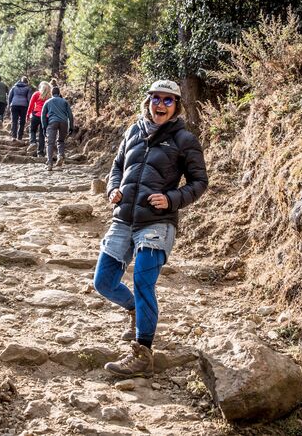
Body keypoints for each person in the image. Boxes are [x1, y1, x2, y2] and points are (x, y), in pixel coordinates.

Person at [93, 79, 209, 378]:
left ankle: (143, 354)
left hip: (157, 223)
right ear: (148, 102)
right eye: (155, 98)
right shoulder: (134, 130)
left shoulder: (185, 139)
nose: (160, 105)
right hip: (123, 219)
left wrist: (171, 198)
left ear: (176, 106)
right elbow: (117, 166)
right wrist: (113, 189)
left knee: (144, 282)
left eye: (167, 100)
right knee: (103, 282)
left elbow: (199, 183)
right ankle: (135, 310)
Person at [40, 86, 73, 171]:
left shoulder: (48, 102)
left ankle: (50, 163)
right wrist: (71, 127)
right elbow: (70, 115)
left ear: (52, 93)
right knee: (61, 141)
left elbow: (43, 116)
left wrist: (44, 127)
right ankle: (60, 155)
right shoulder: (64, 101)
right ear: (59, 93)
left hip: (52, 122)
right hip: (64, 122)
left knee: (50, 143)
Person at [26, 81, 51, 157]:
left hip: (36, 114)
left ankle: (33, 142)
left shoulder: (36, 94)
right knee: (42, 134)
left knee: (32, 130)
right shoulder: (50, 96)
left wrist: (27, 115)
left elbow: (31, 105)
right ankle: (40, 153)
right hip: (46, 116)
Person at [7, 76, 32, 140]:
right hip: (24, 106)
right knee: (22, 121)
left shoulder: (14, 87)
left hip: (14, 105)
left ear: (21, 81)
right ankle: (20, 137)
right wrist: (30, 107)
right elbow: (29, 99)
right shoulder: (28, 88)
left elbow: (10, 97)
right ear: (27, 82)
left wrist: (9, 105)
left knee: (14, 121)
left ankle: (13, 136)